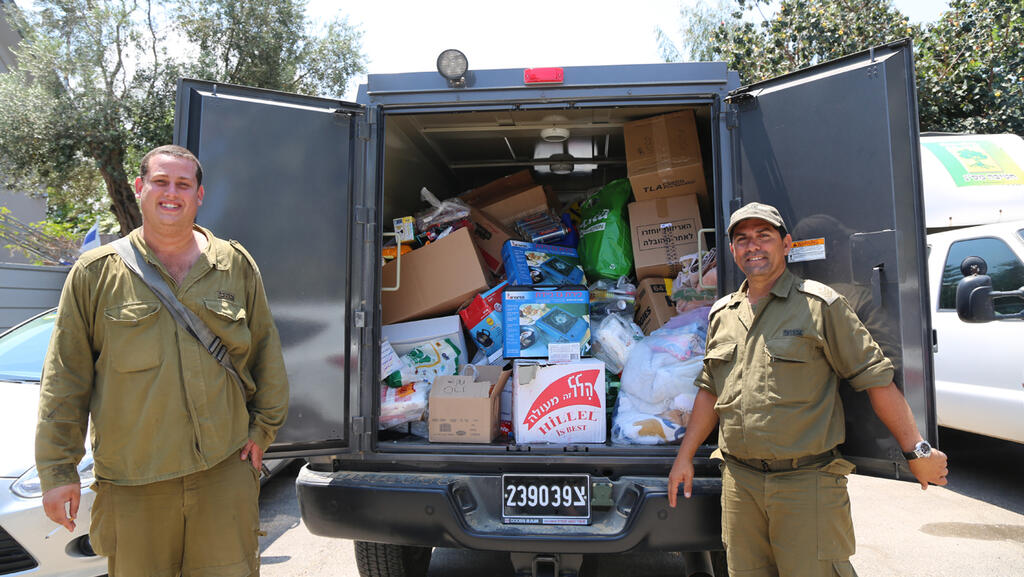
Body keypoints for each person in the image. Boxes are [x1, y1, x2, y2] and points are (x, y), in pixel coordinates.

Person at [36, 145, 289, 577]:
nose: (171, 193)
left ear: (199, 195)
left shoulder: (234, 265)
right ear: (140, 188)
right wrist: (59, 471)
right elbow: (65, 378)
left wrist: (262, 430)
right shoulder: (96, 273)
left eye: (183, 184)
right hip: (135, 482)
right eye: (160, 182)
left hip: (222, 474)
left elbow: (266, 353)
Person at [668, 202, 948, 576]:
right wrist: (684, 457)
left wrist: (918, 450)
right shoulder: (723, 314)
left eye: (763, 237)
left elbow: (875, 379)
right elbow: (710, 390)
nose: (753, 246)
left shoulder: (821, 306)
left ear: (786, 245)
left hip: (806, 484)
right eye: (742, 239)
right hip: (740, 484)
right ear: (733, 251)